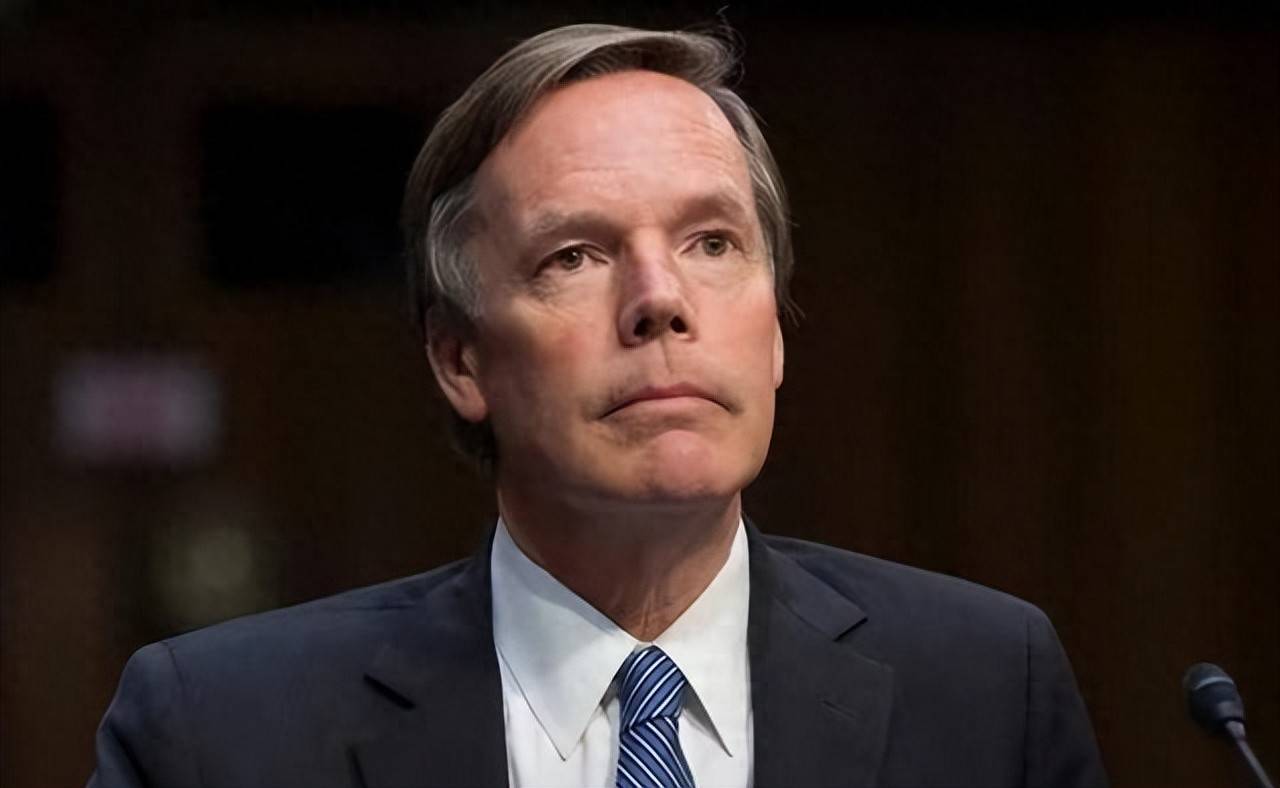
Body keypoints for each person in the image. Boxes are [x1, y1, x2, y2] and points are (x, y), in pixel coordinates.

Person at [89, 24, 1108, 788]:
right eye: (574, 255)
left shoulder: (986, 690)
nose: (660, 299)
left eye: (712, 242)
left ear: (775, 330)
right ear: (459, 358)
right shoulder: (218, 733)